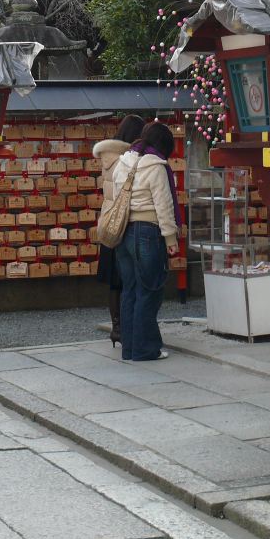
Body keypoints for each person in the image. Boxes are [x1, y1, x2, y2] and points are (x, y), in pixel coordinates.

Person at [109, 122, 179, 362]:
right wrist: (171, 238)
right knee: (149, 291)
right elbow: (164, 205)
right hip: (148, 231)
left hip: (124, 232)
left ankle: (129, 348)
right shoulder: (156, 166)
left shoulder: (123, 161)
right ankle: (145, 349)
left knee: (130, 291)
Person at [93, 114, 145, 348]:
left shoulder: (107, 158)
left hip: (109, 222)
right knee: (128, 279)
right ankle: (127, 327)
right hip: (125, 222)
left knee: (114, 282)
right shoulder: (129, 160)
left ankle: (117, 327)